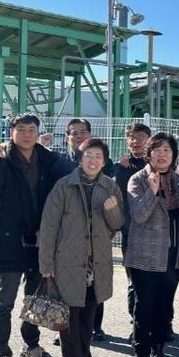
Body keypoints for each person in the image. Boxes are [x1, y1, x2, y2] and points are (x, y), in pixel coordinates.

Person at [0, 114, 59, 357]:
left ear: (38, 132)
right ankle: (2, 356)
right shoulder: (1, 158)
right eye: (21, 129)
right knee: (4, 302)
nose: (26, 134)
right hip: (9, 240)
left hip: (38, 240)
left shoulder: (45, 159)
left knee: (34, 300)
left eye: (31, 129)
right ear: (11, 132)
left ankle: (31, 347)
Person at [38, 139, 124, 357]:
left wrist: (112, 210)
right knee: (69, 320)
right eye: (88, 155)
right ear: (80, 158)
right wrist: (46, 264)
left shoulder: (110, 186)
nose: (93, 160)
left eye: (98, 156)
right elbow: (48, 227)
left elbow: (118, 223)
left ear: (104, 161)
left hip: (97, 264)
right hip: (67, 262)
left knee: (88, 319)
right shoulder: (64, 186)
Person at [124, 132, 179, 357]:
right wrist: (152, 190)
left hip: (172, 254)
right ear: (148, 154)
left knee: (164, 306)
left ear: (173, 155)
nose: (162, 155)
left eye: (167, 150)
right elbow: (139, 215)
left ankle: (158, 351)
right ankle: (141, 355)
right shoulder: (138, 179)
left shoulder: (178, 180)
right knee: (145, 307)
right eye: (157, 150)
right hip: (145, 255)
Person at [53, 118, 114, 343]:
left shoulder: (104, 163)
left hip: (96, 234)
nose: (79, 136)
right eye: (74, 133)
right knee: (68, 286)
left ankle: (95, 327)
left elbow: (112, 196)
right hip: (69, 236)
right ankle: (64, 329)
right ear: (67, 138)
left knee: (95, 284)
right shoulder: (59, 162)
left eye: (83, 132)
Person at [113, 122, 152, 340]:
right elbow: (120, 197)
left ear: (149, 140)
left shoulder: (158, 162)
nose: (136, 142)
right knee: (134, 282)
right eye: (132, 138)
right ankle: (135, 323)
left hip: (157, 233)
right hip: (132, 233)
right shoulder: (121, 166)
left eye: (141, 137)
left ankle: (163, 323)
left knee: (159, 280)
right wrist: (122, 170)